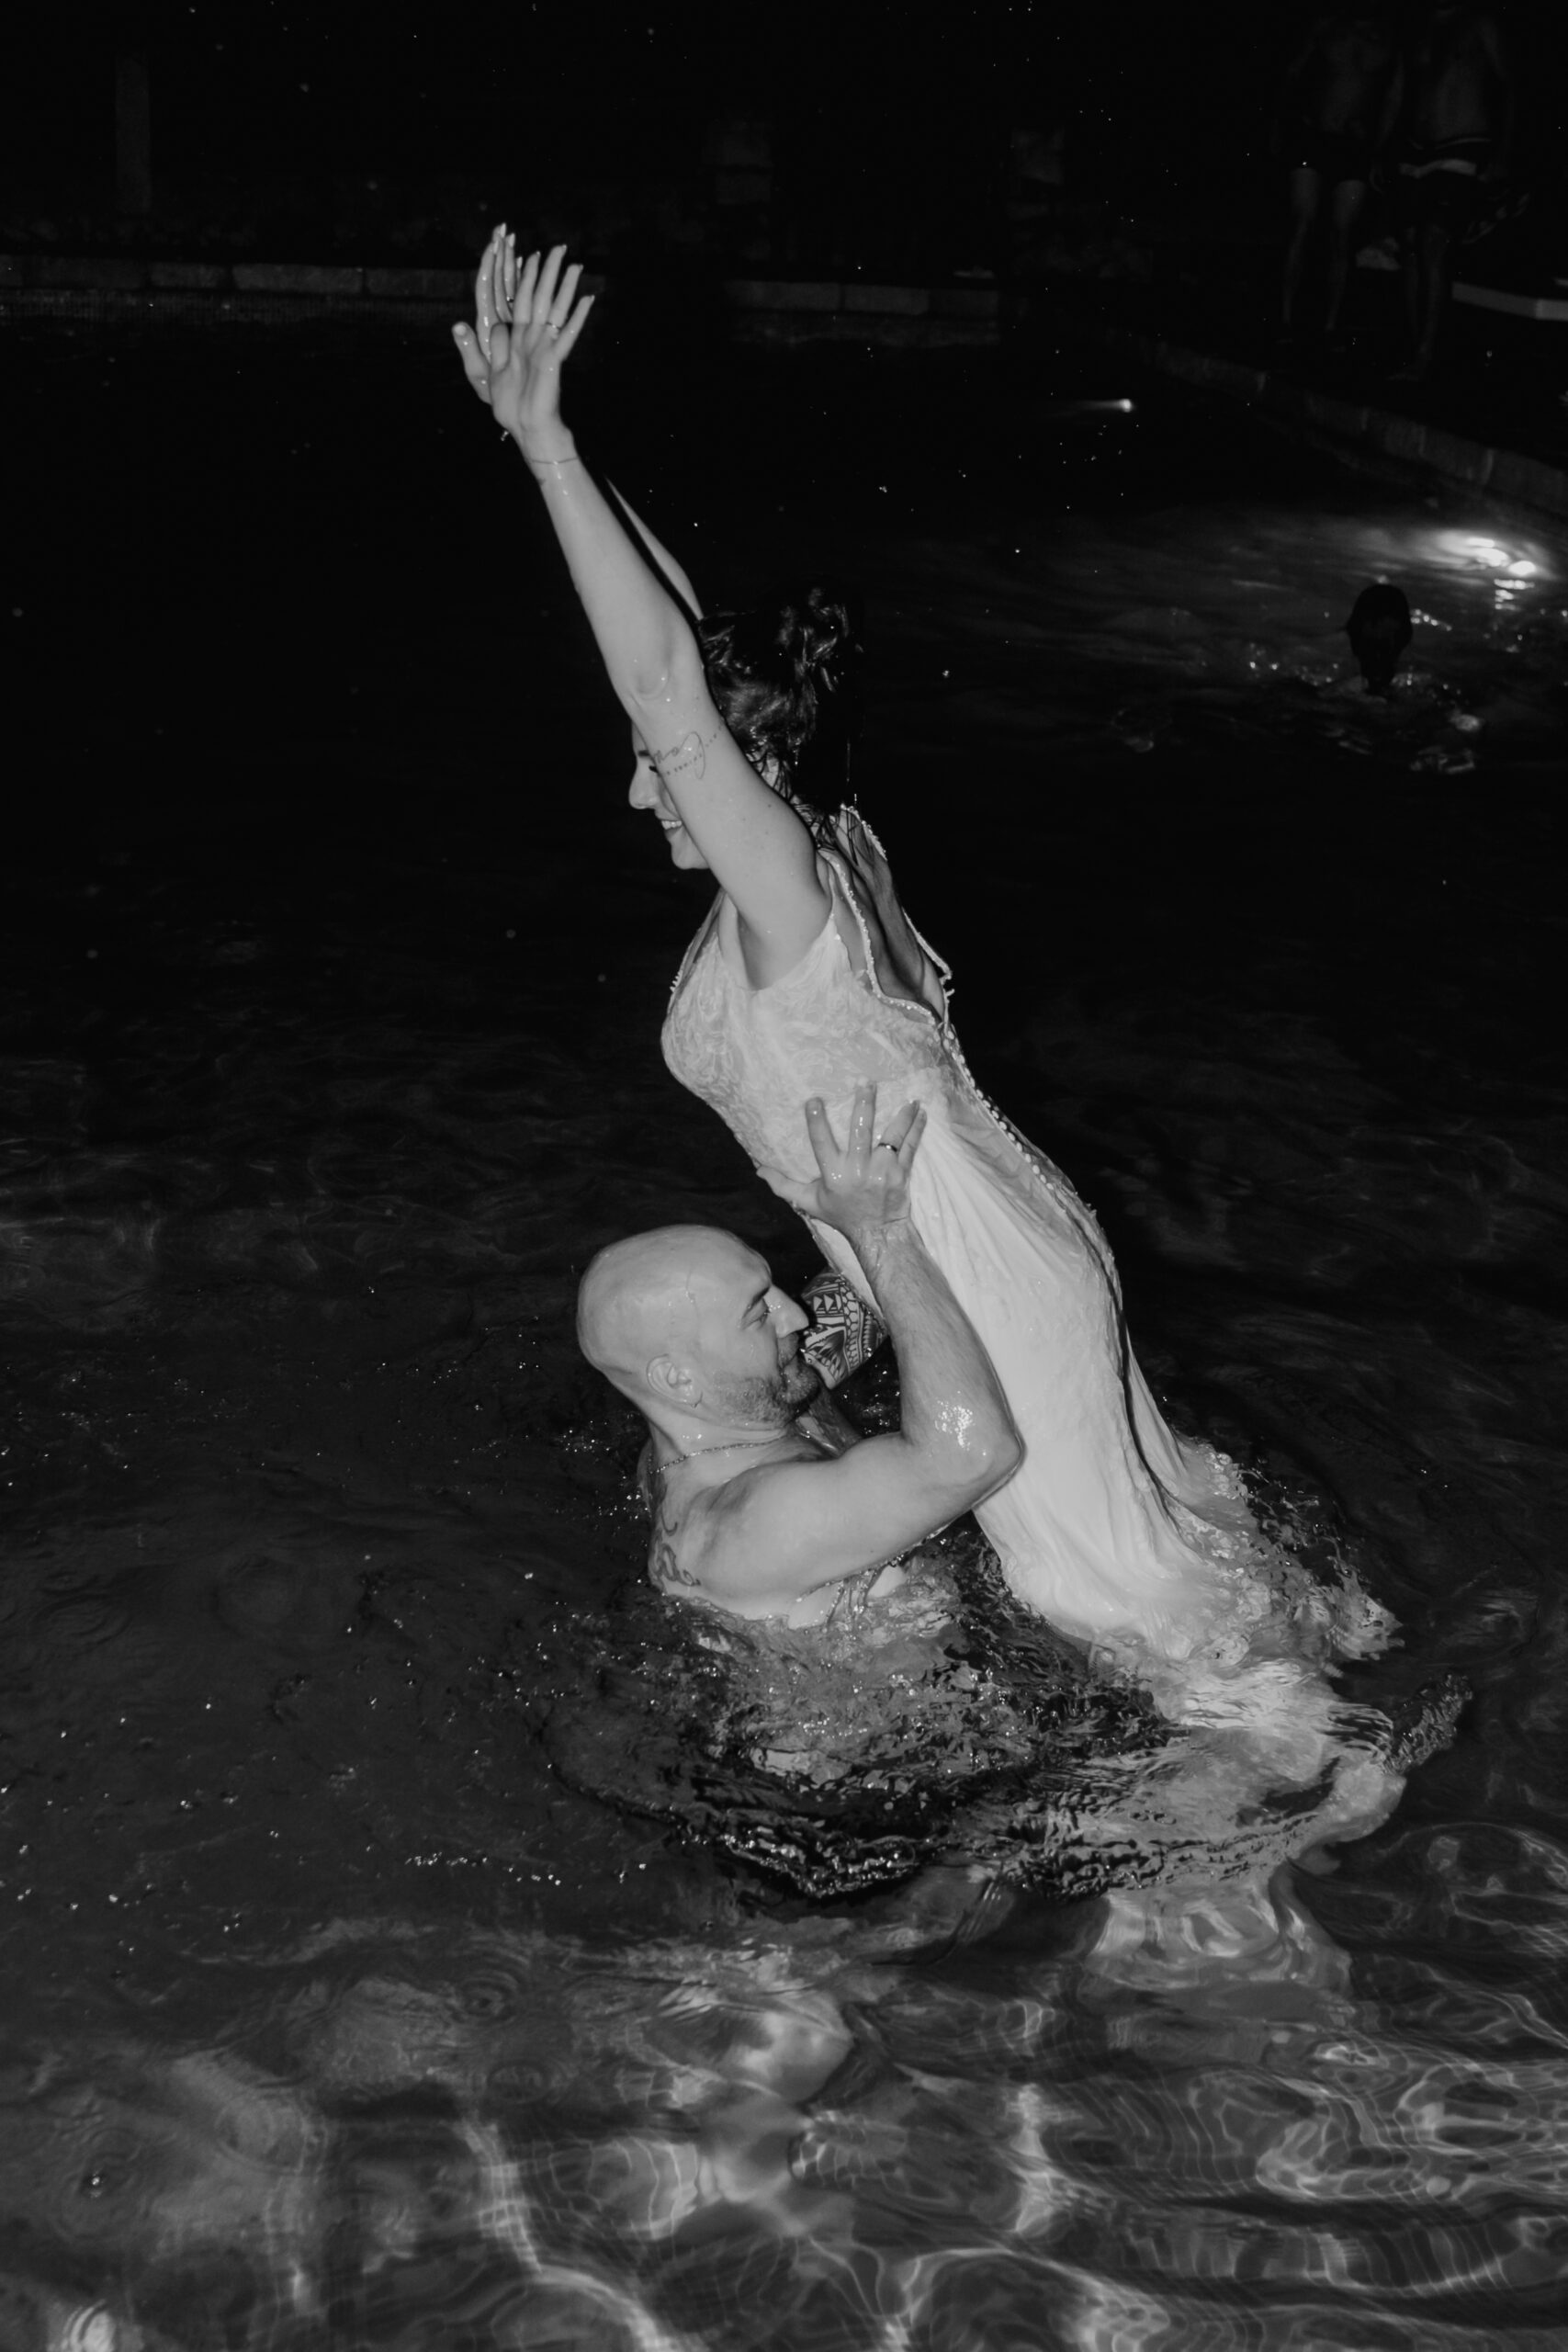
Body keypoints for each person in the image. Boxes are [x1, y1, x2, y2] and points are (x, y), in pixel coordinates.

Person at [453, 234, 1389, 1724]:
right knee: (1129, 1508)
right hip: (989, 1217)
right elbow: (683, 651)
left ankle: (1310, 1768)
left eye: (663, 770)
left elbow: (666, 684)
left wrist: (554, 447)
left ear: (743, 769)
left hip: (962, 1237)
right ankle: (1312, 1654)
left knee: (1110, 1596)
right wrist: (537, 442)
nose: (642, 791)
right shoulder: (832, 837)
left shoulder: (786, 897)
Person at [577, 1081, 1021, 1626]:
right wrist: (881, 1233)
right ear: (678, 1380)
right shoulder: (753, 1526)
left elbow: (879, 1298)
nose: (796, 1314)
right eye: (758, 1313)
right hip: (958, 1677)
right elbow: (973, 1454)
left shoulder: (725, 1415)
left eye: (773, 1290)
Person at [1378, 1, 1517, 380]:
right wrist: (1379, 151)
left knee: (1433, 243)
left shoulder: (1479, 23)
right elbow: (1396, 92)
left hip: (1462, 143)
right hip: (1414, 150)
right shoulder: (1418, 30)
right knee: (1409, 247)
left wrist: (1502, 154)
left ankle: (1426, 353)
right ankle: (1413, 346)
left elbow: (1507, 85)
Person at [1278, 10, 1398, 351]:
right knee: (1302, 225)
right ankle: (1284, 318)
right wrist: (1285, 123)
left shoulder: (1388, 39)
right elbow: (1293, 73)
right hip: (1312, 138)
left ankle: (1330, 326)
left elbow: (1393, 96)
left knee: (1342, 235)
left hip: (1354, 147)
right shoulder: (1327, 25)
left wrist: (1378, 149)